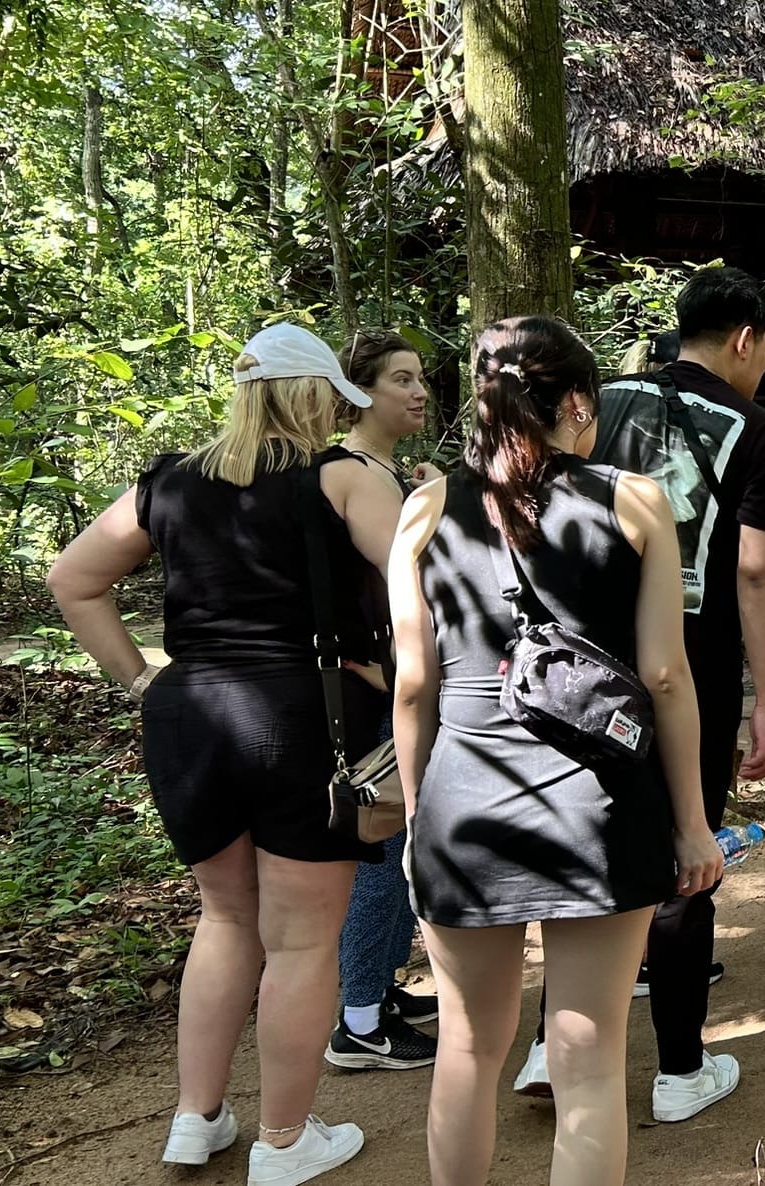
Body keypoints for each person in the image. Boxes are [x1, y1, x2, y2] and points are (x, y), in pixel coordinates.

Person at [47, 323, 401, 1183]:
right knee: (302, 941)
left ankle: (195, 1118)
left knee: (226, 918)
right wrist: (391, 678)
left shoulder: (166, 482)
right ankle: (284, 1141)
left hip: (190, 717)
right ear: (313, 395)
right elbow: (427, 593)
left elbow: (72, 579)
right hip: (308, 717)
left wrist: (141, 680)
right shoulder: (343, 476)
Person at [390, 316, 724, 1185]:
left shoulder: (424, 510)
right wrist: (693, 824)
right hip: (597, 805)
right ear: (578, 401)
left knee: (467, 1046)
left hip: (463, 804)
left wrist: (418, 821)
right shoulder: (634, 500)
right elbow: (666, 675)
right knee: (590, 1058)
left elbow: (414, 686)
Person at [583, 264, 765, 1120]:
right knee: (688, 847)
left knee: (587, 843)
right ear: (745, 338)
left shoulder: (596, 401)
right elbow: (757, 568)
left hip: (577, 664)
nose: (764, 365)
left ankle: (554, 1048)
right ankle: (679, 1069)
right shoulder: (758, 430)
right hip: (691, 670)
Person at [325, 330, 442, 1071]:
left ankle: (381, 990)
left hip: (390, 678)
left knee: (400, 837)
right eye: (402, 378)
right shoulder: (351, 471)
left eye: (420, 377)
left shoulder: (384, 472)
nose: (419, 391)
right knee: (379, 843)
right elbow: (408, 575)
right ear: (360, 392)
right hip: (369, 686)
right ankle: (359, 1020)